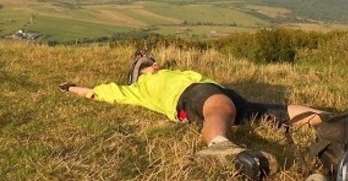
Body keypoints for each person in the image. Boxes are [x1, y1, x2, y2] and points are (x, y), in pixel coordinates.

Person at [59, 51, 325, 170]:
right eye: (149, 64)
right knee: (223, 108)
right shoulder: (138, 88)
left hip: (209, 90)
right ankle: (220, 145)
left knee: (271, 112)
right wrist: (72, 88)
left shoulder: (170, 73)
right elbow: (100, 92)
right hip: (192, 94)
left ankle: (330, 119)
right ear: (139, 74)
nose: (155, 64)